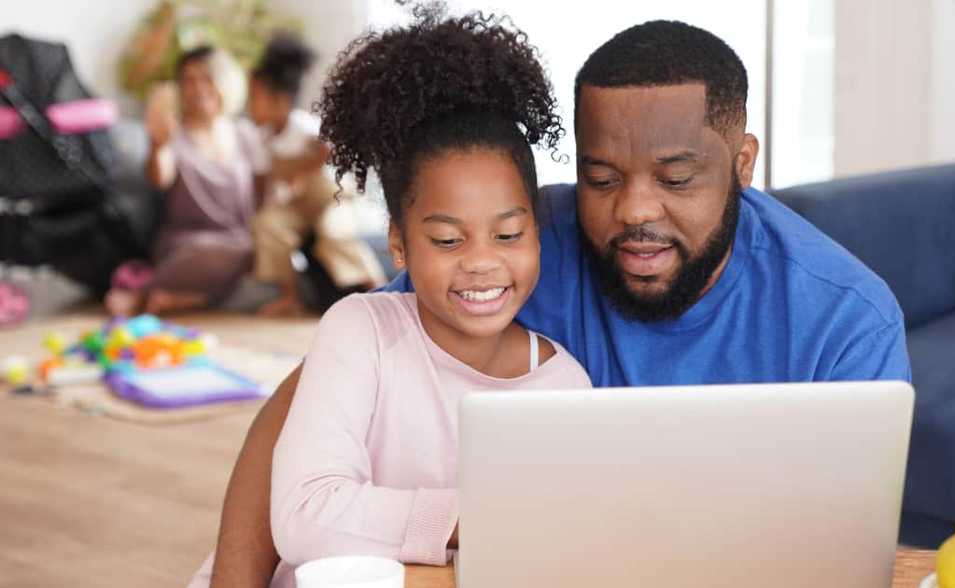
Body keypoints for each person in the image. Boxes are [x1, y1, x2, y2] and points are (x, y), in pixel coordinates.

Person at [203, 19, 912, 587]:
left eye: (675, 176)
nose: (634, 210)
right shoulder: (523, 243)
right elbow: (303, 407)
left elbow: (848, 542)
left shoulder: (844, 317)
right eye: (602, 177)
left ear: (744, 162)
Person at [188, 8, 590, 587]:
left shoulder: (564, 384)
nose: (481, 261)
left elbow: (557, 545)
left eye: (508, 235)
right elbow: (303, 520)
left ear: (537, 233)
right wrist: (475, 517)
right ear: (399, 245)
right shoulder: (361, 330)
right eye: (448, 239)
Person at [105, 46, 264, 317]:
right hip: (190, 247)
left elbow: (263, 194)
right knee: (238, 253)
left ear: (226, 82)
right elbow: (159, 178)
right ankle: (144, 293)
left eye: (206, 77)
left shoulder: (245, 134)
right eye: (188, 80)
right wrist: (157, 144)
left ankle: (185, 299)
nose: (197, 87)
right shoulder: (173, 136)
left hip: (244, 241)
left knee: (259, 256)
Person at [246, 34, 387, 317]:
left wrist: (303, 169)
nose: (249, 105)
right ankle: (290, 296)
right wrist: (264, 204)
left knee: (334, 233)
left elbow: (331, 151)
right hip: (298, 206)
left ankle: (379, 289)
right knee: (268, 226)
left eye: (254, 97)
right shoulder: (261, 139)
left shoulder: (304, 127)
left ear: (279, 100)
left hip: (331, 199)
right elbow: (260, 183)